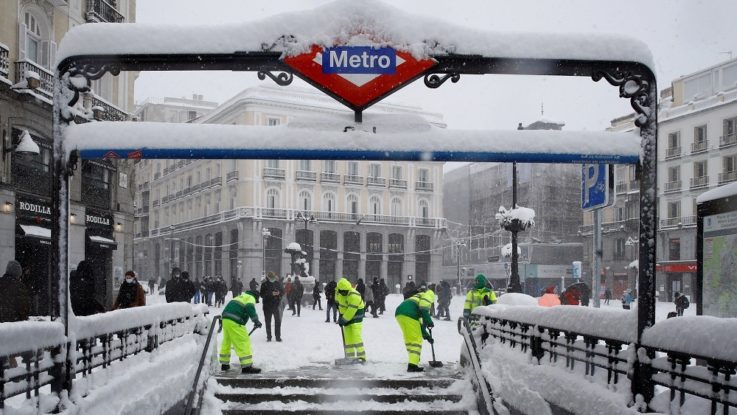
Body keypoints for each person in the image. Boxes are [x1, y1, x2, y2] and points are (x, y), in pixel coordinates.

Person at [219, 289, 262, 374]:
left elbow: (229, 307)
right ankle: (246, 367)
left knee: (227, 341)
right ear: (256, 297)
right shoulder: (251, 297)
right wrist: (256, 321)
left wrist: (221, 320)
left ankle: (224, 364)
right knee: (243, 341)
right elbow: (250, 307)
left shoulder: (240, 297)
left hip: (225, 319)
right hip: (235, 320)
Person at [395, 285, 436, 372]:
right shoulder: (428, 295)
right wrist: (429, 321)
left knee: (410, 339)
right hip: (410, 314)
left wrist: (427, 336)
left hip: (400, 313)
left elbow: (419, 326)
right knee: (416, 341)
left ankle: (413, 360)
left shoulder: (418, 296)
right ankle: (412, 365)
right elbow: (424, 309)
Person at [336, 277, 366, 363]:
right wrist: (341, 316)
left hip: (356, 317)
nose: (343, 293)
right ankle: (350, 356)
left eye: (344, 292)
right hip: (347, 317)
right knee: (348, 338)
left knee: (356, 337)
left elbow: (351, 310)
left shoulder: (354, 295)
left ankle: (361, 357)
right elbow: (342, 307)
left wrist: (343, 319)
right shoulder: (340, 294)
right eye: (341, 291)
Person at [259, 272, 283, 342]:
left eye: (273, 277)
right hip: (267, 306)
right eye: (271, 278)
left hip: (276, 305)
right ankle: (269, 337)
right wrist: (270, 293)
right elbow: (261, 295)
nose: (273, 279)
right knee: (268, 322)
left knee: (278, 322)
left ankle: (278, 337)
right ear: (268, 277)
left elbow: (283, 291)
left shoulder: (278, 283)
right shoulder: (264, 284)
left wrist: (279, 293)